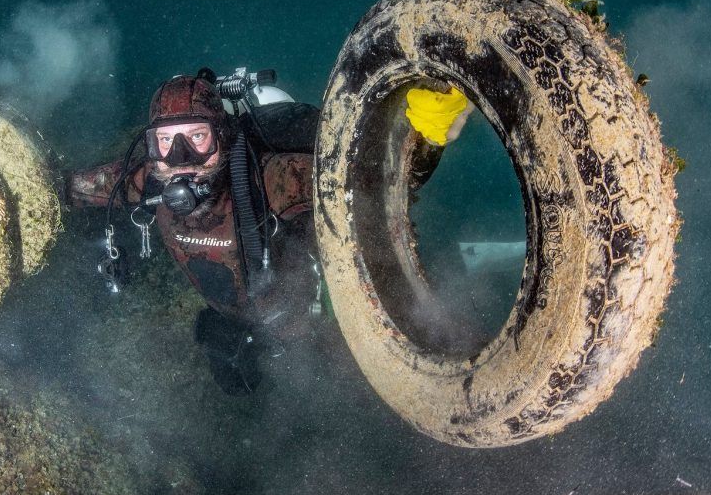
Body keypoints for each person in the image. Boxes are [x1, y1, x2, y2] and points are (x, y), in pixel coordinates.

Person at [64, 70, 470, 395]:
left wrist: (424, 136)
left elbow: (374, 182)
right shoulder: (146, 182)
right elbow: (79, 188)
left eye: (197, 138)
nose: (181, 160)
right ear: (150, 147)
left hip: (310, 322)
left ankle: (465, 263)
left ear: (222, 138)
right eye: (166, 142)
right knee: (233, 383)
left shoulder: (272, 179)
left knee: (360, 389)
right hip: (239, 320)